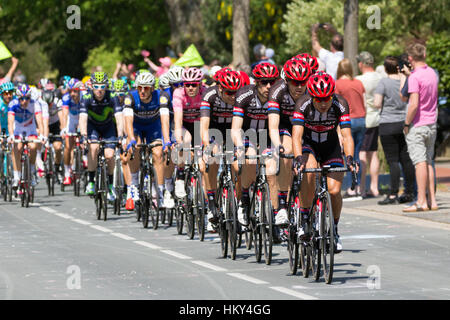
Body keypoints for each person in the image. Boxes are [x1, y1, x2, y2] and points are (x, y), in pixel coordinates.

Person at [292, 71, 356, 253]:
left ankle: (334, 230)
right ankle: (305, 219)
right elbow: (296, 136)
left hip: (331, 147)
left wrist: (350, 158)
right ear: (311, 96)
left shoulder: (340, 104)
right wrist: (298, 159)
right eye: (318, 99)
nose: (322, 103)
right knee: (309, 172)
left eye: (326, 98)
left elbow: (347, 135)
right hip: (309, 145)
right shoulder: (302, 104)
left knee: (334, 191)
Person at [231, 62, 279, 228]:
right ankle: (244, 201)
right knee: (250, 161)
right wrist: (239, 148)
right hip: (247, 135)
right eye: (264, 82)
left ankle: (274, 217)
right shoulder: (244, 95)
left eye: (272, 82)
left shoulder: (277, 96)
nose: (268, 86)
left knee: (272, 172)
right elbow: (236, 127)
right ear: (256, 82)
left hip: (267, 136)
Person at [268, 58, 312, 225]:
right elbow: (273, 124)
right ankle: (282, 205)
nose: (299, 86)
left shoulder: (310, 90)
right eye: (294, 82)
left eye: (302, 82)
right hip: (285, 126)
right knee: (286, 152)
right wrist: (276, 144)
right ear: (286, 80)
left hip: (306, 127)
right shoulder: (277, 91)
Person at [200, 69, 241, 231]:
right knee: (212, 159)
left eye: (235, 92)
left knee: (239, 167)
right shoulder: (209, 96)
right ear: (220, 89)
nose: (233, 96)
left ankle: (237, 205)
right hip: (213, 130)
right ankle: (211, 207)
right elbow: (203, 127)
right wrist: (208, 145)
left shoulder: (240, 96)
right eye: (229, 92)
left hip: (233, 131)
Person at [123, 72, 171, 211]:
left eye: (146, 88)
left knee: (158, 153)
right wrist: (131, 139)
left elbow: (164, 119)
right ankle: (134, 185)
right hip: (136, 127)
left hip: (153, 128)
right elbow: (128, 121)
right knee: (135, 147)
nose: (142, 91)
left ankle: (160, 192)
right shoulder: (131, 97)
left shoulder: (161, 97)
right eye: (140, 88)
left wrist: (166, 140)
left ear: (152, 88)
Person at [373, 56, 415, 205]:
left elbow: (377, 103)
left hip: (387, 123)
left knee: (392, 161)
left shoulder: (383, 82)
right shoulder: (406, 80)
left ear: (385, 68)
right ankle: (409, 191)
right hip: (403, 122)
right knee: (406, 159)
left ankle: (393, 194)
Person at [402, 43, 439, 212]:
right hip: (432, 122)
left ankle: (421, 201)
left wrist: (406, 123)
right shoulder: (432, 73)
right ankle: (432, 200)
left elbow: (414, 104)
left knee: (419, 163)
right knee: (429, 162)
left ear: (410, 59)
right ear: (424, 55)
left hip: (418, 124)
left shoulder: (414, 77)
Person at [79, 72, 124, 202]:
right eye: (96, 87)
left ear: (106, 87)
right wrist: (84, 136)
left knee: (110, 155)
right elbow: (83, 118)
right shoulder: (86, 97)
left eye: (102, 87)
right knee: (93, 147)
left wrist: (120, 135)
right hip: (92, 127)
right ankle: (91, 181)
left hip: (108, 127)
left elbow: (119, 117)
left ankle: (110, 185)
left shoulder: (113, 96)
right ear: (92, 86)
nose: (99, 90)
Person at [172, 67, 206, 201]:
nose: (190, 88)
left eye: (194, 84)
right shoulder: (178, 93)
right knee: (185, 141)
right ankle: (180, 178)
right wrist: (179, 142)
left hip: (200, 125)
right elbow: (178, 119)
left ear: (200, 84)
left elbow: (206, 120)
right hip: (185, 125)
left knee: (202, 159)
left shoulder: (205, 92)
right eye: (187, 85)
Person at [335, 58, 365, 198]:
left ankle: (350, 187)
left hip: (348, 120)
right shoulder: (358, 83)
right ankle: (358, 186)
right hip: (361, 119)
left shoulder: (337, 84)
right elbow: (363, 101)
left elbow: (335, 105)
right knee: (357, 153)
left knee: (346, 154)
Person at [356, 51, 383, 198]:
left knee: (362, 153)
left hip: (364, 117)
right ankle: (375, 186)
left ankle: (362, 187)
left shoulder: (359, 80)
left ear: (361, 64)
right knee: (373, 153)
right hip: (377, 118)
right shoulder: (380, 77)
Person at [7, 84, 44, 189]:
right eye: (21, 99)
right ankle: (16, 176)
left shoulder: (35, 104)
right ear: (18, 98)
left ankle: (32, 171)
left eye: (27, 98)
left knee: (33, 147)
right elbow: (10, 122)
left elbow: (39, 120)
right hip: (18, 130)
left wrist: (41, 135)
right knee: (16, 149)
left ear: (30, 98)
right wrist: (11, 135)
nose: (24, 101)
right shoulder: (12, 104)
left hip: (30, 130)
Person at [61, 78, 83, 185]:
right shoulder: (66, 98)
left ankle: (83, 159)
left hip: (82, 118)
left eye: (75, 91)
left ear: (79, 90)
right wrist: (64, 128)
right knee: (68, 146)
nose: (72, 94)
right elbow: (64, 114)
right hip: (71, 119)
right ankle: (66, 174)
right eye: (70, 91)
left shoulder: (84, 96)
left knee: (82, 142)